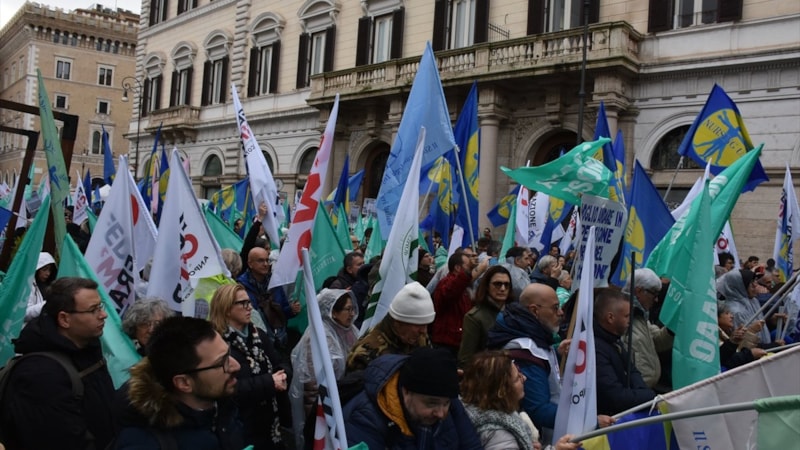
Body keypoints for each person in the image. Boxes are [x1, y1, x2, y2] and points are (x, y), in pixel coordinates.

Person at [2, 277, 116, 449]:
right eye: (93, 310)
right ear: (64, 319)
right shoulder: (40, 376)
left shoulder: (88, 346)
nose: (103, 314)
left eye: (100, 307)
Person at [114, 317, 244, 449]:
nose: (236, 366)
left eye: (229, 354)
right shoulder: (145, 443)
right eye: (221, 363)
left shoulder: (222, 402)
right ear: (183, 383)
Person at [343, 347, 483, 449]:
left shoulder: (446, 399)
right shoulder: (365, 419)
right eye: (431, 404)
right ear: (406, 392)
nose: (441, 413)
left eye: (446, 403)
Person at [209, 284, 291, 449]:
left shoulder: (258, 334)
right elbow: (226, 389)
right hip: (242, 426)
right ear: (226, 308)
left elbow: (280, 362)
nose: (249, 307)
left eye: (249, 302)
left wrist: (283, 375)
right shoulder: (217, 344)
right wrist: (269, 382)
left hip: (272, 423)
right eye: (243, 303)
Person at [486, 283, 569, 443]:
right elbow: (538, 409)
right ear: (534, 311)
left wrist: (557, 353)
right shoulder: (525, 353)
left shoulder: (529, 332)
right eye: (555, 307)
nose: (560, 313)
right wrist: (581, 418)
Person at [290, 289, 360, 448]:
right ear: (333, 312)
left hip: (341, 398)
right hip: (322, 406)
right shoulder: (318, 338)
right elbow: (313, 385)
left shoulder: (348, 330)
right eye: (348, 309)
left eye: (352, 309)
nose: (352, 313)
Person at [346, 281, 435, 373]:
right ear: (398, 322)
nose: (424, 331)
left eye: (426, 324)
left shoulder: (418, 337)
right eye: (418, 325)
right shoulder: (365, 354)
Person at [593, 288, 656, 416]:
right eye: (627, 316)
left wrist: (642, 391)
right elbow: (616, 396)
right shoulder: (597, 349)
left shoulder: (615, 340)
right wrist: (649, 396)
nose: (630, 321)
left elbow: (632, 370)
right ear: (610, 317)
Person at [461, 350, 539, 450]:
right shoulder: (498, 435)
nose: (524, 378)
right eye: (516, 379)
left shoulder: (474, 413)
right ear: (501, 392)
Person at [238, 246, 301, 354]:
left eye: (267, 260)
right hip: (258, 343)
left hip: (280, 341)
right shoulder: (241, 287)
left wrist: (291, 310)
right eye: (260, 261)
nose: (266, 264)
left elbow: (283, 310)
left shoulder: (275, 283)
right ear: (250, 264)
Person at [625, 268, 673, 390]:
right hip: (633, 390)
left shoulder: (641, 315)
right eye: (654, 294)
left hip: (644, 389)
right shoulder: (622, 314)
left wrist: (672, 327)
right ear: (639, 291)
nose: (656, 299)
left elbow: (657, 340)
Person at [459, 265, 512, 367]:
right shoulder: (474, 317)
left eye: (507, 285)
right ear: (487, 286)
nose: (502, 288)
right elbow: (466, 358)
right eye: (497, 284)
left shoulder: (513, 313)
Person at [431, 251, 478, 355]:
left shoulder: (466, 285)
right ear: (458, 267)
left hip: (459, 340)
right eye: (468, 265)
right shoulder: (447, 282)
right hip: (447, 341)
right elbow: (451, 291)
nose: (470, 269)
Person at [718, 301, 766, 370]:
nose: (732, 316)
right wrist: (750, 354)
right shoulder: (715, 336)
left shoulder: (726, 332)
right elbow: (728, 359)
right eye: (727, 313)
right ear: (716, 317)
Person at [25, 251, 57, 322]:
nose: (48, 273)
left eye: (50, 270)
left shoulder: (49, 286)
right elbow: (25, 313)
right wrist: (47, 303)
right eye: (44, 269)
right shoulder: (28, 286)